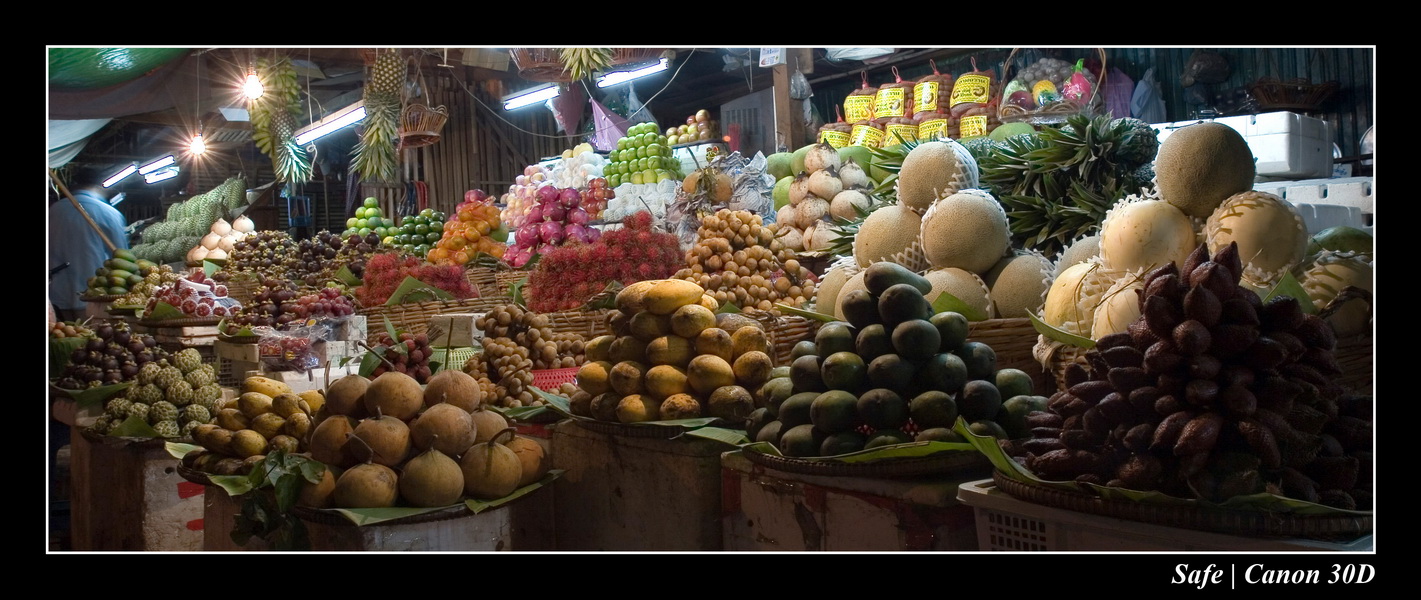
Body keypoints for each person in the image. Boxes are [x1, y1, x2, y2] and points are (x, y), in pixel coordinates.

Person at [49, 164, 129, 321]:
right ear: (101, 185)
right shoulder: (108, 213)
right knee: (93, 340)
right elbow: (123, 258)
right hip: (93, 297)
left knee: (63, 339)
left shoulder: (53, 211)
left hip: (56, 296)